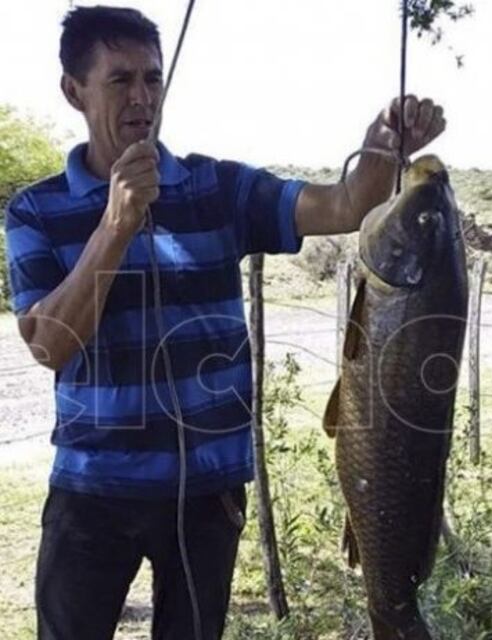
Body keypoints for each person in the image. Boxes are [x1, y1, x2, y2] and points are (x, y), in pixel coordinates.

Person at [4, 6, 445, 639]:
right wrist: (115, 225)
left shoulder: (218, 187)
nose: (142, 97)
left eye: (153, 79)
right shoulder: (36, 209)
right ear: (73, 90)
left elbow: (348, 204)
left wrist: (384, 142)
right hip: (94, 488)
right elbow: (49, 343)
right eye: (120, 79)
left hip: (207, 489)